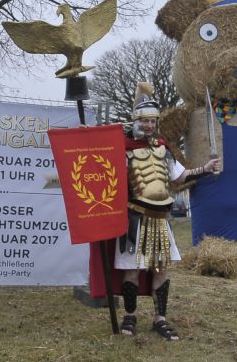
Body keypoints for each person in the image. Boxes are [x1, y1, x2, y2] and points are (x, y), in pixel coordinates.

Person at [91, 83, 219, 341]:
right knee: (132, 269)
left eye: (153, 121)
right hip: (134, 218)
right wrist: (88, 140)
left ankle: (160, 319)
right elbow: (99, 168)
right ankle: (130, 315)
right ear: (135, 121)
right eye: (145, 121)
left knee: (161, 269)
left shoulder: (164, 149)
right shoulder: (121, 149)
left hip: (161, 219)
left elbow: (179, 177)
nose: (149, 126)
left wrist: (205, 168)